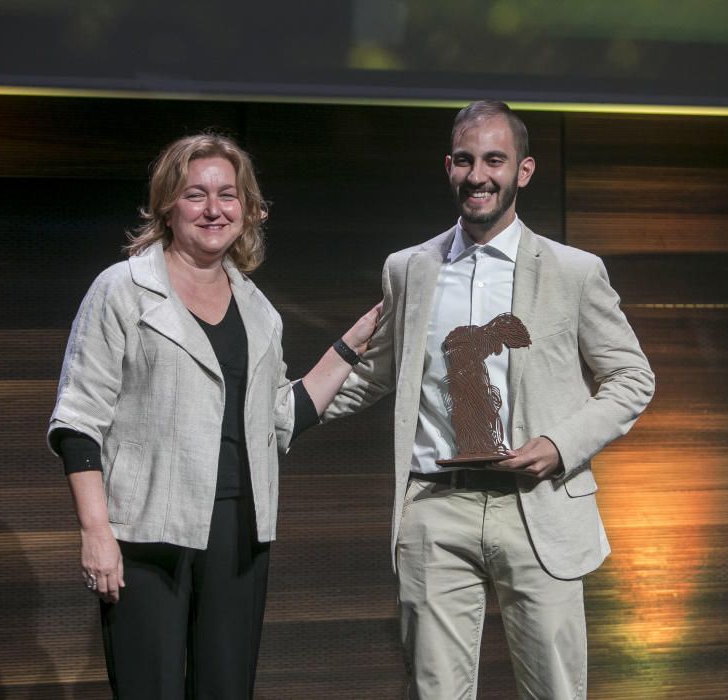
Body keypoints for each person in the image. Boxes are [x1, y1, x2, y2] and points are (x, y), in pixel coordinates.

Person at [323, 100, 655, 699]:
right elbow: (374, 377)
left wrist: (560, 445)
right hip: (435, 507)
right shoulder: (408, 269)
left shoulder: (573, 271)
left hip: (539, 506)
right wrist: (274, 409)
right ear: (448, 166)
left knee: (555, 689)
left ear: (523, 171)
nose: (479, 175)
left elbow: (632, 377)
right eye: (466, 160)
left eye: (495, 160)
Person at [47, 133, 379, 699]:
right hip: (148, 532)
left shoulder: (259, 309)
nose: (213, 209)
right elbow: (78, 421)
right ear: (168, 205)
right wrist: (96, 531)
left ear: (248, 211)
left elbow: (279, 416)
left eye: (228, 195)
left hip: (239, 532)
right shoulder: (122, 290)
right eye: (195, 194)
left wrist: (352, 342)